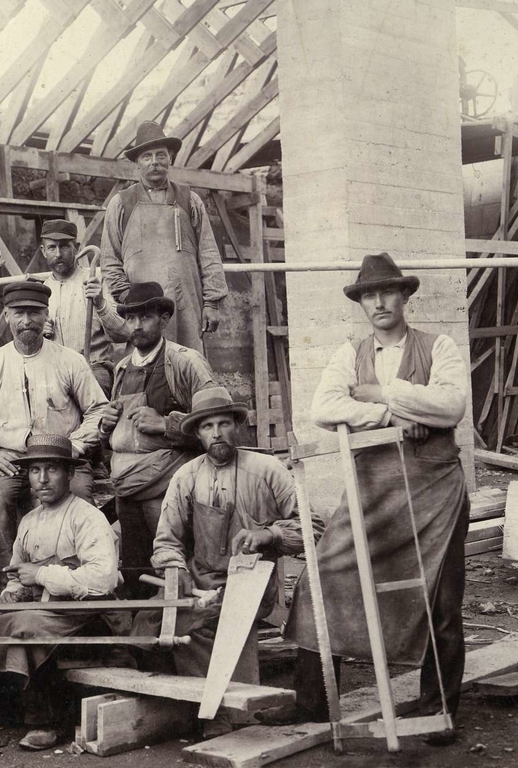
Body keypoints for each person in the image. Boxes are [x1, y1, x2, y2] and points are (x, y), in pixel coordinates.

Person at [269, 253, 469, 747]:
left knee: (441, 600)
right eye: (369, 295)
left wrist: (378, 392)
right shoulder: (349, 353)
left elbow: (451, 406)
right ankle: (314, 704)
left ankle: (438, 710)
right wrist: (392, 415)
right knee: (322, 581)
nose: (379, 302)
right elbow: (323, 407)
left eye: (387, 292)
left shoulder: (438, 346)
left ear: (405, 296)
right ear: (361, 303)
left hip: (434, 489)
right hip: (372, 490)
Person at [129, 386, 313, 739]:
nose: (217, 433)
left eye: (223, 424)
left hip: (254, 580)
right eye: (207, 426)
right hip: (202, 579)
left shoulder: (267, 470)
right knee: (152, 620)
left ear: (237, 426)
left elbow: (311, 526)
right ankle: (183, 704)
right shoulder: (187, 476)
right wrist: (176, 570)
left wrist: (270, 534)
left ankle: (220, 713)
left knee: (206, 621)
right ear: (197, 434)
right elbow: (166, 540)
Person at [0, 281, 107, 596]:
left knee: (77, 497)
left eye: (34, 313)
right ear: (6, 316)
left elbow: (98, 409)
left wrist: (73, 446)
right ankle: (7, 587)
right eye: (19, 313)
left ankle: (78, 583)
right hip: (13, 460)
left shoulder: (69, 361)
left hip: (63, 458)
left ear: (47, 315)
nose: (27, 321)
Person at [0, 434, 119, 751]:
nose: (42, 479)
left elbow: (103, 580)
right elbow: (17, 573)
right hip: (41, 612)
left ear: (69, 473)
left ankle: (47, 721)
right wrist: (13, 591)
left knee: (27, 628)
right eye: (35, 470)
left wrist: (43, 575)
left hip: (84, 615)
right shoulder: (30, 521)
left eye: (52, 469)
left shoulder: (88, 517)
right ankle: (7, 710)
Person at [97, 282, 216, 597]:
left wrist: (166, 424)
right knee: (135, 571)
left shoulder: (186, 362)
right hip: (126, 487)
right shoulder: (122, 368)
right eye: (130, 318)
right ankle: (140, 624)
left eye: (145, 317)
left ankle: (182, 622)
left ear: (164, 318)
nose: (136, 326)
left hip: (167, 486)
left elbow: (218, 426)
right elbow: (115, 441)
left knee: (175, 567)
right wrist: (105, 428)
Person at [101, 121, 228, 352]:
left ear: (170, 157)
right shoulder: (120, 204)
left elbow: (209, 254)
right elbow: (110, 261)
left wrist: (212, 303)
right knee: (145, 366)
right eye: (146, 156)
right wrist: (128, 297)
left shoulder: (190, 200)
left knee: (188, 363)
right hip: (141, 312)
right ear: (137, 163)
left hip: (186, 306)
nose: (154, 162)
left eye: (161, 155)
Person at [37, 218, 130, 395]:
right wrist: (40, 334)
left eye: (65, 246)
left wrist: (101, 303)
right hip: (55, 370)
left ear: (77, 248)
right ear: (43, 251)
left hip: (93, 367)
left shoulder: (96, 281)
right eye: (52, 247)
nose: (58, 254)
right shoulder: (42, 291)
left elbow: (123, 333)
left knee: (93, 387)